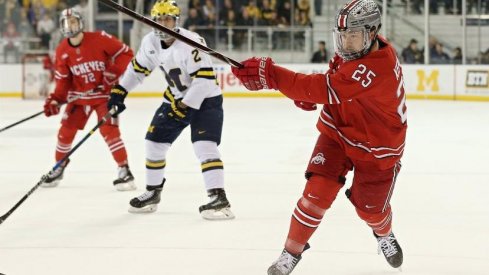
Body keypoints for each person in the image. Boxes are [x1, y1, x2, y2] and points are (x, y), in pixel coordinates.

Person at [231, 0, 407, 274]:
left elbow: (328, 87)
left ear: (372, 32)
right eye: (343, 36)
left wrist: (273, 76)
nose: (346, 43)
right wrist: (309, 95)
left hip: (378, 147)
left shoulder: (377, 66)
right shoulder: (358, 49)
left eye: (353, 35)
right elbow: (332, 80)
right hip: (338, 130)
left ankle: (384, 233)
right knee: (315, 194)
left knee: (370, 211)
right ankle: (291, 253)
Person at [107, 0, 234, 220]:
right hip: (175, 98)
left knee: (204, 146)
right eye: (159, 19)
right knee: (154, 143)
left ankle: (218, 198)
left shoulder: (191, 42)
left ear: (176, 21)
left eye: (168, 19)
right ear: (153, 21)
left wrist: (184, 106)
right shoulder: (150, 42)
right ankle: (153, 192)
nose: (163, 24)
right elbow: (137, 70)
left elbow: (204, 81)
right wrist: (120, 91)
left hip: (205, 100)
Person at [42, 8, 135, 191]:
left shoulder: (99, 38)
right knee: (65, 133)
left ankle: (124, 170)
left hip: (104, 96)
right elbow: (63, 82)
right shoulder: (62, 51)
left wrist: (112, 74)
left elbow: (127, 54)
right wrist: (55, 100)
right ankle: (59, 166)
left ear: (81, 22)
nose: (70, 26)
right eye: (66, 23)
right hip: (79, 99)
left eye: (74, 22)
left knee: (110, 132)